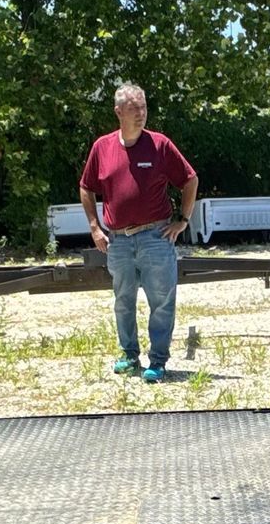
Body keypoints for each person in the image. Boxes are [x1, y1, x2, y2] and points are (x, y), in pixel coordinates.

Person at [78, 84, 197, 383]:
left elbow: (190, 179)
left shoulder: (160, 145)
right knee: (123, 301)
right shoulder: (102, 147)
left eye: (143, 107)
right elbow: (86, 187)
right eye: (134, 109)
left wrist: (183, 220)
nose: (141, 114)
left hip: (155, 237)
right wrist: (95, 227)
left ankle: (158, 361)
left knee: (162, 301)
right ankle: (129, 356)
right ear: (118, 112)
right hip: (118, 240)